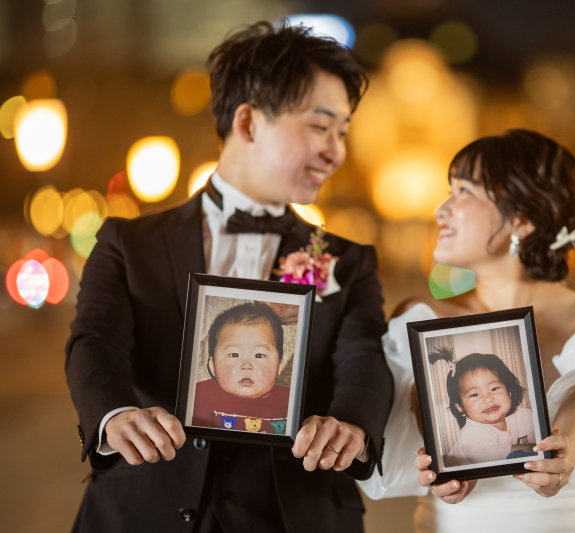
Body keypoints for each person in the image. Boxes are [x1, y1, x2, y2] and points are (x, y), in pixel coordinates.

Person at [66, 20, 393, 533]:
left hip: (292, 509)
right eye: (319, 125)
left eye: (343, 132)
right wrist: (114, 416)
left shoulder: (347, 261)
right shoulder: (128, 243)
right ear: (247, 123)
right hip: (144, 507)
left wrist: (350, 423)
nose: (336, 151)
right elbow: (95, 341)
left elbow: (363, 356)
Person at [358, 129, 575, 532]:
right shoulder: (421, 318)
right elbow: (421, 404)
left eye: (464, 192)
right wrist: (451, 466)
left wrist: (560, 458)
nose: (442, 210)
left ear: (522, 219)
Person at [191, 303, 290, 434]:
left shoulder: (291, 401)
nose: (247, 365)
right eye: (234, 354)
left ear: (279, 367)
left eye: (259, 355)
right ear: (212, 366)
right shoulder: (199, 395)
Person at [427, 349, 536, 466]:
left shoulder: (517, 415)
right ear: (460, 407)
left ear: (508, 391)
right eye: (474, 395)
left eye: (494, 389)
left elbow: (535, 426)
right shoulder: (472, 432)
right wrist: (529, 448)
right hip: (461, 479)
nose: (488, 399)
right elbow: (492, 457)